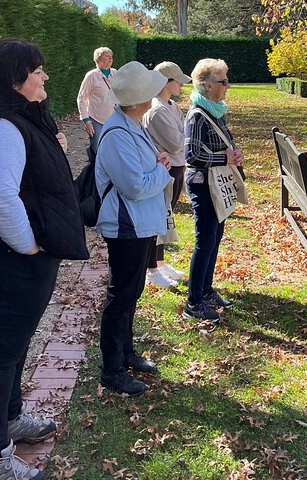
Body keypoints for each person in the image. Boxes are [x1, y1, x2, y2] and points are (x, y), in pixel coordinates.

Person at [0, 39, 89, 480]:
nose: (45, 76)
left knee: (14, 348)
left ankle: (11, 419)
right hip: (6, 259)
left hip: (19, 256)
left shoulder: (17, 120)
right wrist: (29, 246)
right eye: (37, 70)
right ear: (15, 79)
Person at [95, 61, 172, 396]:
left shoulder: (132, 124)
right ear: (141, 97)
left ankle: (126, 354)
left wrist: (158, 165)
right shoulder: (116, 133)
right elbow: (136, 186)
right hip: (126, 225)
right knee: (121, 296)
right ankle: (111, 371)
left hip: (139, 223)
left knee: (131, 293)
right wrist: (163, 171)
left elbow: (144, 171)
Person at [183, 58, 244, 322]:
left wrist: (234, 153)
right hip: (202, 184)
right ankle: (193, 303)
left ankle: (206, 291)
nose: (227, 86)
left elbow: (221, 144)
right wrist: (225, 159)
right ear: (208, 86)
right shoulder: (198, 114)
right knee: (204, 241)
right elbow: (192, 154)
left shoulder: (215, 110)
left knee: (214, 238)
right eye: (223, 81)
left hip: (215, 184)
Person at [142, 61, 192, 288]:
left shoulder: (171, 106)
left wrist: (183, 137)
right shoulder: (157, 110)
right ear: (166, 82)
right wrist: (184, 138)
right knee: (157, 219)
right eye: (177, 80)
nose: (181, 84)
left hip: (177, 166)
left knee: (165, 217)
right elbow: (177, 142)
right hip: (165, 169)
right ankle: (151, 269)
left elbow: (184, 137)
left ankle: (159, 263)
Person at [77, 47, 116, 154]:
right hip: (96, 119)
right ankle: (95, 169)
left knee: (112, 148)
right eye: (106, 55)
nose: (110, 57)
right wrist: (86, 120)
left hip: (113, 119)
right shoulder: (91, 76)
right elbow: (81, 98)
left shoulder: (116, 74)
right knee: (98, 149)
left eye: (111, 55)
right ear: (98, 59)